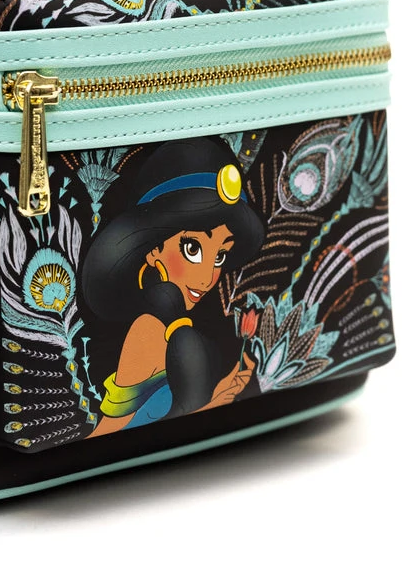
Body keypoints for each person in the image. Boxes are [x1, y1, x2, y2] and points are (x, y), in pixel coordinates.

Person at [80, 137, 265, 436]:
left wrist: (223, 394)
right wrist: (217, 401)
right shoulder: (149, 328)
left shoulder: (169, 322)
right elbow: (110, 428)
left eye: (219, 256)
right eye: (192, 249)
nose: (207, 278)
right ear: (152, 249)